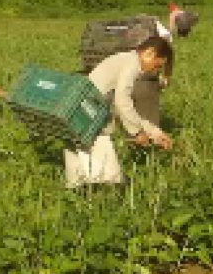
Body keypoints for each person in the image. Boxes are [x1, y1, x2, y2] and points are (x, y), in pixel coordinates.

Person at [65, 35, 174, 188]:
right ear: (149, 53)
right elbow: (122, 101)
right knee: (109, 175)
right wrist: (136, 132)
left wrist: (154, 132)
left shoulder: (125, 58)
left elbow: (121, 106)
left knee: (79, 160)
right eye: (157, 65)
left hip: (81, 108)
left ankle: (80, 187)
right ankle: (102, 188)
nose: (155, 70)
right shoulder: (132, 64)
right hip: (91, 112)